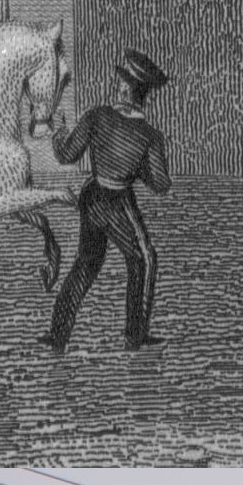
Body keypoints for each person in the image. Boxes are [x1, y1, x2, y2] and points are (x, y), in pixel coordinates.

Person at [46, 45, 171, 353]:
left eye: (122, 82)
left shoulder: (97, 116)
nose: (119, 86)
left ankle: (57, 335)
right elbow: (160, 184)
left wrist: (58, 132)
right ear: (142, 93)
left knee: (86, 264)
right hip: (117, 202)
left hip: (91, 198)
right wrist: (138, 163)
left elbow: (66, 154)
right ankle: (135, 335)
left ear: (127, 88)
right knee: (143, 259)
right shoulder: (149, 135)